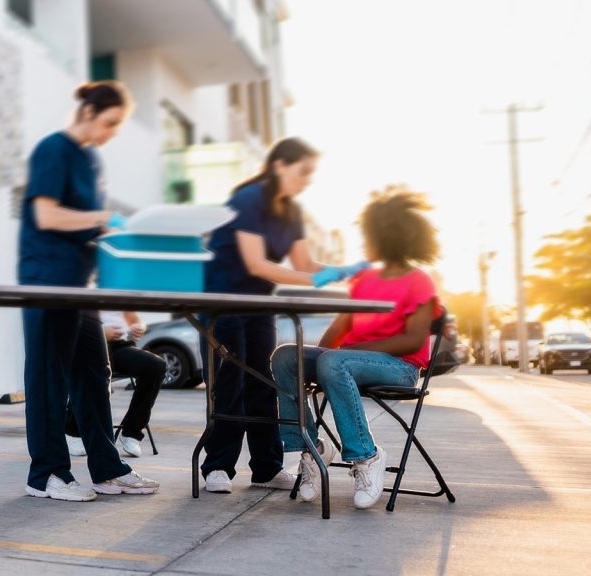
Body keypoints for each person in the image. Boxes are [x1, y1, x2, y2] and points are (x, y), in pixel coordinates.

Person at [199, 137, 364, 494]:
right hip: (223, 301)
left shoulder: (292, 212)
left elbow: (303, 263)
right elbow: (257, 264)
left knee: (263, 383)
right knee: (230, 383)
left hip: (259, 305)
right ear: (279, 166)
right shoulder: (248, 199)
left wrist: (342, 271)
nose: (307, 180)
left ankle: (266, 468)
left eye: (311, 174)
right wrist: (312, 279)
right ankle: (218, 467)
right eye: (303, 172)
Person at [19, 81, 159, 502]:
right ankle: (46, 474)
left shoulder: (92, 161)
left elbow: (90, 227)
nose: (113, 132)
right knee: (49, 378)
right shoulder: (53, 149)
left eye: (119, 125)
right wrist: (102, 218)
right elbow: (47, 215)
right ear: (87, 112)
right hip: (47, 281)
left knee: (95, 376)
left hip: (81, 287)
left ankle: (108, 469)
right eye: (110, 122)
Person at [270, 186, 441, 509]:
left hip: (399, 368)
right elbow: (338, 330)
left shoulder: (418, 280)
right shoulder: (364, 280)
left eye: (368, 235)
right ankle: (311, 449)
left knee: (335, 362)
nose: (364, 242)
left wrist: (341, 357)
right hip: (346, 363)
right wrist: (313, 365)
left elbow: (414, 340)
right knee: (286, 357)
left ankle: (367, 456)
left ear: (386, 236)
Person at [64, 311, 165, 458]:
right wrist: (100, 331)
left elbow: (134, 317)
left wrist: (139, 326)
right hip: (88, 343)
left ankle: (131, 432)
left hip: (119, 347)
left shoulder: (119, 295)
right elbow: (69, 321)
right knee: (90, 370)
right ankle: (72, 431)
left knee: (156, 366)